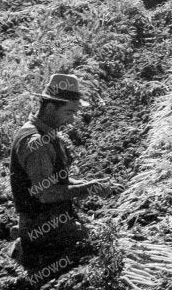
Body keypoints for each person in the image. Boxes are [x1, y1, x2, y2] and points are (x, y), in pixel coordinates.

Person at [8, 73, 111, 276]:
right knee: (101, 243)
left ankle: (26, 239)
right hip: (45, 226)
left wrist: (88, 183)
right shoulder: (36, 143)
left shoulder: (42, 132)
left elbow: (55, 180)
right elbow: (46, 193)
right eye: (69, 112)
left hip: (51, 219)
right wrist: (89, 189)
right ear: (51, 107)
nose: (72, 119)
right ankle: (30, 245)